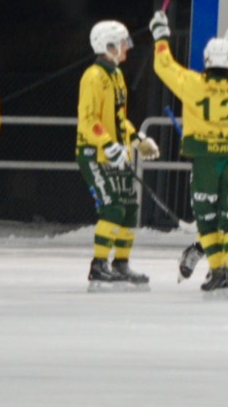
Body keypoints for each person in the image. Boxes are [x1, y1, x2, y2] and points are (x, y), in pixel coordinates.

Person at [150, 11, 228, 297]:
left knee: (217, 220)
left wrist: (161, 36)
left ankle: (224, 268)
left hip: (217, 160)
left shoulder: (195, 83)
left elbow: (163, 66)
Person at [76, 21, 159, 290]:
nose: (126, 49)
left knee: (129, 207)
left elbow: (118, 118)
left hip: (114, 152)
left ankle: (120, 264)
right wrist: (107, 144)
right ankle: (99, 265)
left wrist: (136, 140)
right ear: (108, 46)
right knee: (112, 206)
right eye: (122, 43)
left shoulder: (116, 75)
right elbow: (88, 119)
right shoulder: (93, 76)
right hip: (95, 153)